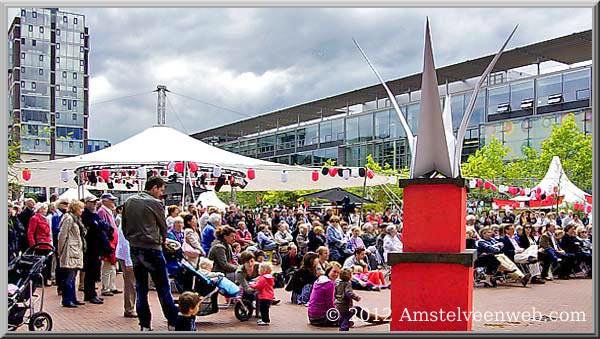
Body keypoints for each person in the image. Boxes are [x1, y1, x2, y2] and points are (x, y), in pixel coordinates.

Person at [122, 176, 178, 331]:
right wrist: (161, 240)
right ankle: (172, 322)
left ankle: (145, 324)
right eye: (161, 190)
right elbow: (163, 227)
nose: (161, 194)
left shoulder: (129, 201)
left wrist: (132, 239)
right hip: (152, 248)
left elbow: (124, 225)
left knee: (141, 288)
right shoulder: (156, 203)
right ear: (154, 187)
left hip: (135, 247)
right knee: (163, 288)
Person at [56, 200, 87, 308]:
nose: (82, 211)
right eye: (81, 208)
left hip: (75, 250)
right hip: (70, 249)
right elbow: (62, 235)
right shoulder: (68, 218)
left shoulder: (76, 219)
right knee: (69, 276)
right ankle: (67, 299)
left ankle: (73, 298)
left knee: (73, 276)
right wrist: (60, 250)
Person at [98, 193, 121, 297]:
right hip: (108, 242)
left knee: (112, 265)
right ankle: (105, 287)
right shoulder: (102, 211)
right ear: (105, 201)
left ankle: (112, 286)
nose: (113, 202)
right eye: (111, 200)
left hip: (113, 241)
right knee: (107, 266)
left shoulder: (109, 211)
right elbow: (103, 228)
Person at [116, 204, 137, 318]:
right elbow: (126, 243)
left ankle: (130, 307)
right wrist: (129, 262)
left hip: (127, 255)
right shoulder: (127, 223)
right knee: (130, 284)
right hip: (127, 256)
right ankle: (129, 308)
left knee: (132, 283)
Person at [27, 202, 54, 286]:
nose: (45, 210)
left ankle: (45, 280)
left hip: (47, 244)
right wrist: (33, 245)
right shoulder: (35, 218)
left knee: (47, 263)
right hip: (39, 244)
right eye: (43, 209)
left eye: (46, 209)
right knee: (39, 263)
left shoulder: (45, 219)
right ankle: (38, 281)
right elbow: (30, 232)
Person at [51, 197, 70, 295]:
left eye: (67, 204)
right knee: (59, 266)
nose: (66, 205)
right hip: (58, 242)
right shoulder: (56, 216)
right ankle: (60, 286)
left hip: (65, 243)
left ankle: (63, 286)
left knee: (64, 266)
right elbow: (56, 230)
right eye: (64, 204)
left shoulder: (65, 215)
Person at [249, 262, 275, 326]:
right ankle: (264, 319)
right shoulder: (269, 277)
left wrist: (251, 285)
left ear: (263, 270)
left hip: (264, 296)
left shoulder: (263, 278)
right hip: (269, 296)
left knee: (263, 309)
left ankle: (265, 320)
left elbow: (258, 286)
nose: (258, 270)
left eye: (259, 269)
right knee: (265, 309)